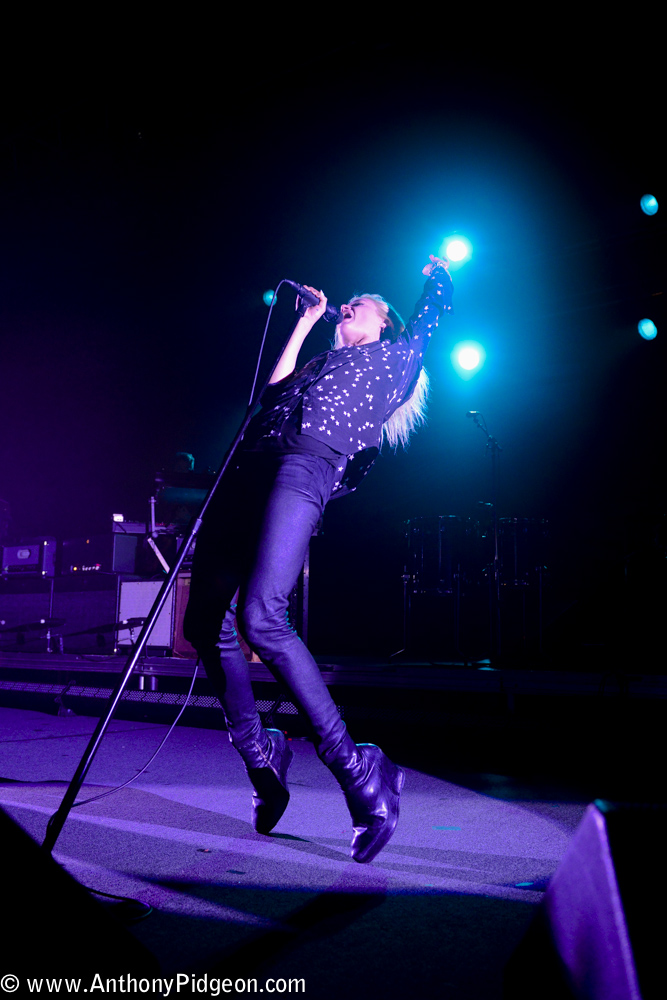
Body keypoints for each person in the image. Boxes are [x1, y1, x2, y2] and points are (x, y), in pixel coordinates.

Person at [184, 255, 453, 863]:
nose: (348, 305)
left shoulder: (396, 357)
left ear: (384, 323)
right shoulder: (319, 361)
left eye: (362, 303)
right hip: (250, 467)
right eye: (347, 302)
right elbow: (270, 394)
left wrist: (439, 274)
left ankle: (358, 770)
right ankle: (259, 752)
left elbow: (432, 317)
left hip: (308, 464)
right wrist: (305, 323)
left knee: (261, 618)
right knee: (203, 622)